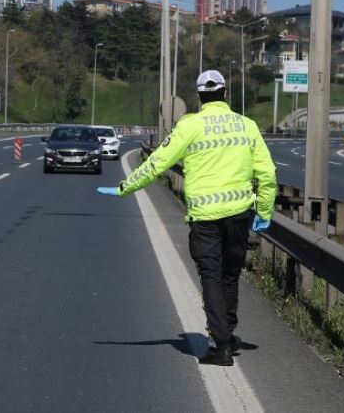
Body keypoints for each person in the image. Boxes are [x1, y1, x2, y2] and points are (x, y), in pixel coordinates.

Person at [97, 70, 276, 366]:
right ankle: (227, 334)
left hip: (205, 217)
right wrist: (265, 211)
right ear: (225, 94)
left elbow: (157, 162)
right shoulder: (247, 125)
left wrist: (123, 188)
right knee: (230, 276)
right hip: (240, 215)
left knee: (211, 277)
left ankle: (221, 346)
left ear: (199, 96)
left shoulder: (190, 125)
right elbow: (267, 173)